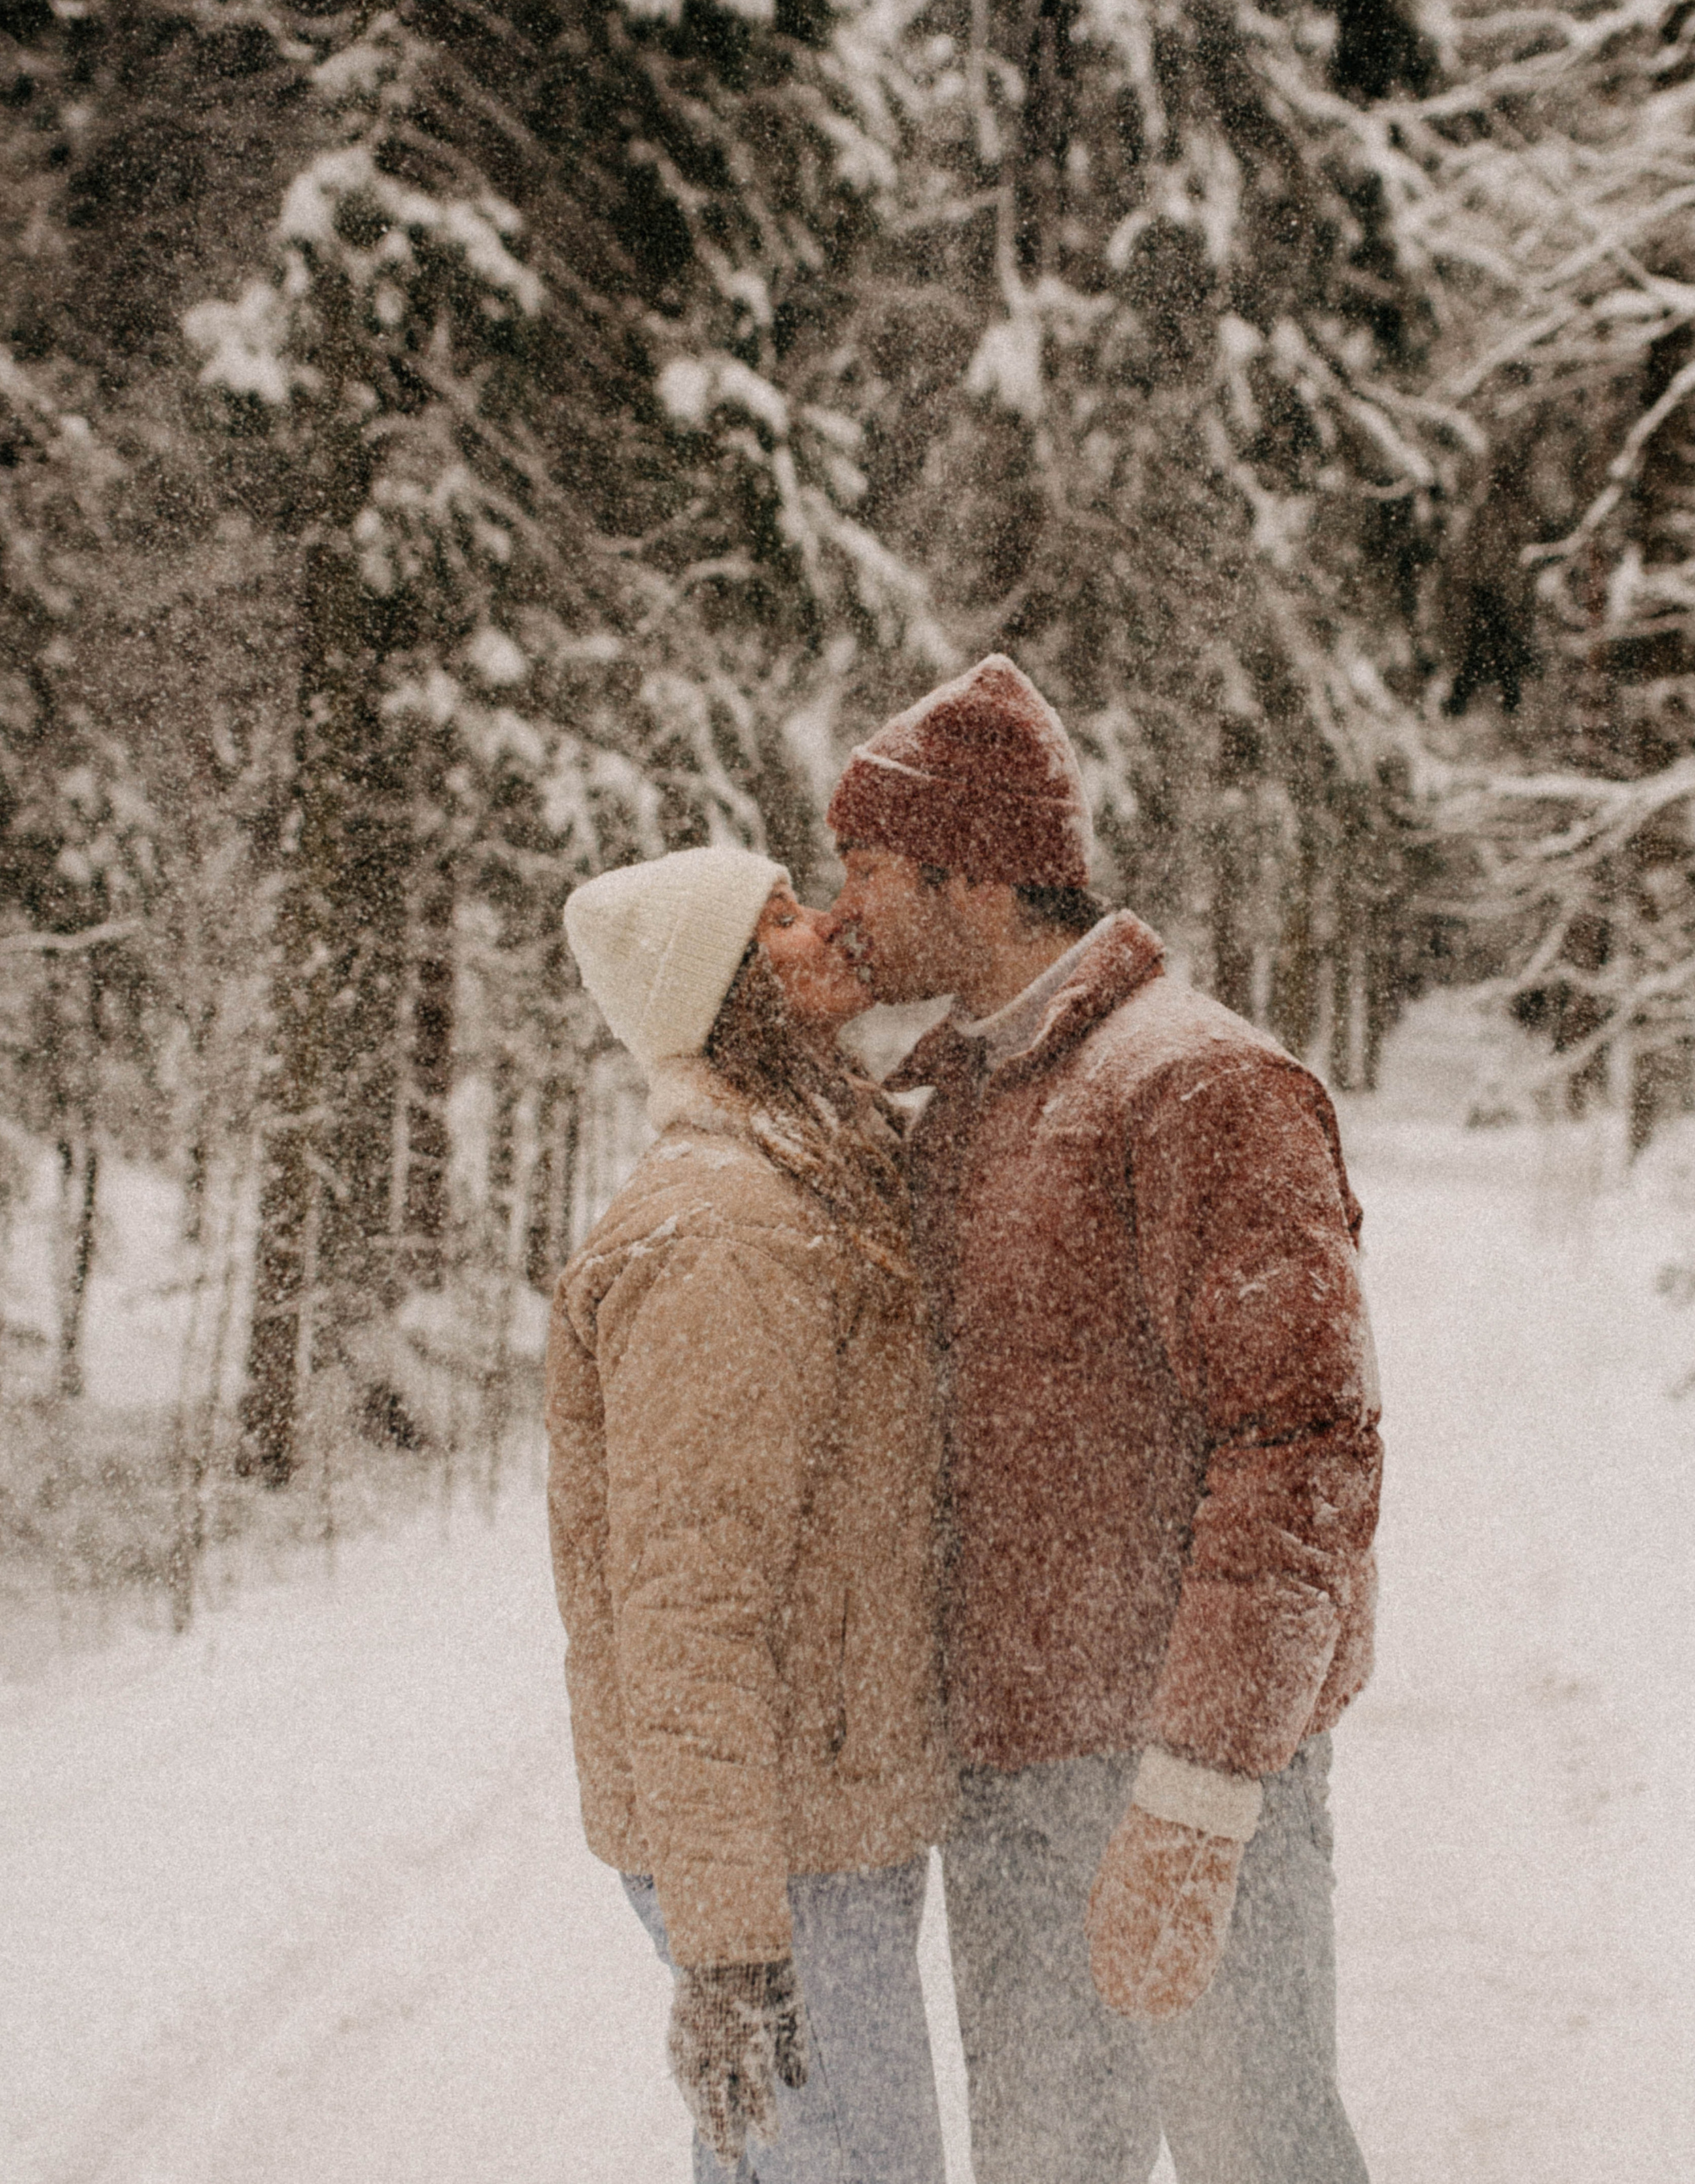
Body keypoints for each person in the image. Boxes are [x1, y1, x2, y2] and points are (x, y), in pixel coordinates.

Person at [823, 655, 1382, 2184]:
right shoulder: (960, 1106)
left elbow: (1302, 1451)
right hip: (1008, 1784)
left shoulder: (1199, 1084)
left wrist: (1199, 1794)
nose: (846, 910)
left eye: (867, 868)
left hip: (1180, 1779)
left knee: (1261, 2160)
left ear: (973, 874)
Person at [546, 845, 951, 2183]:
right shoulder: (723, 1232)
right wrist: (728, 1941)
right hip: (782, 1848)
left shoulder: (803, 1174)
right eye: (776, 920)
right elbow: (688, 1605)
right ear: (721, 990)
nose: (824, 923)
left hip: (816, 1814)